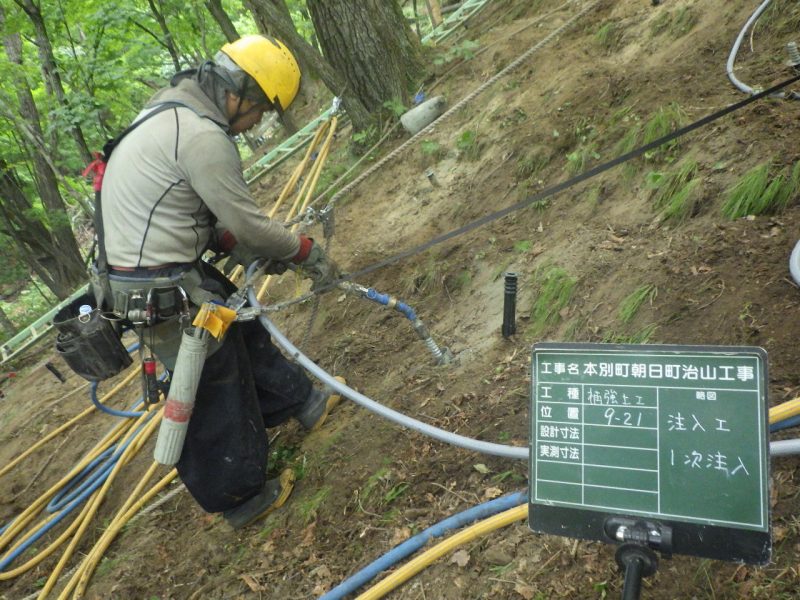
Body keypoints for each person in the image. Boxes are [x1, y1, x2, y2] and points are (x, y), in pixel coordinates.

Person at [96, 35, 341, 529]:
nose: (257, 125)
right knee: (211, 380)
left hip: (161, 268)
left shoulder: (170, 111)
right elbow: (248, 223)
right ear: (240, 93)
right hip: (155, 286)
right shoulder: (203, 136)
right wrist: (304, 252)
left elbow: (191, 212)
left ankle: (295, 401)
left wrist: (240, 249)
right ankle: (239, 497)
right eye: (261, 112)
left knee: (241, 323)